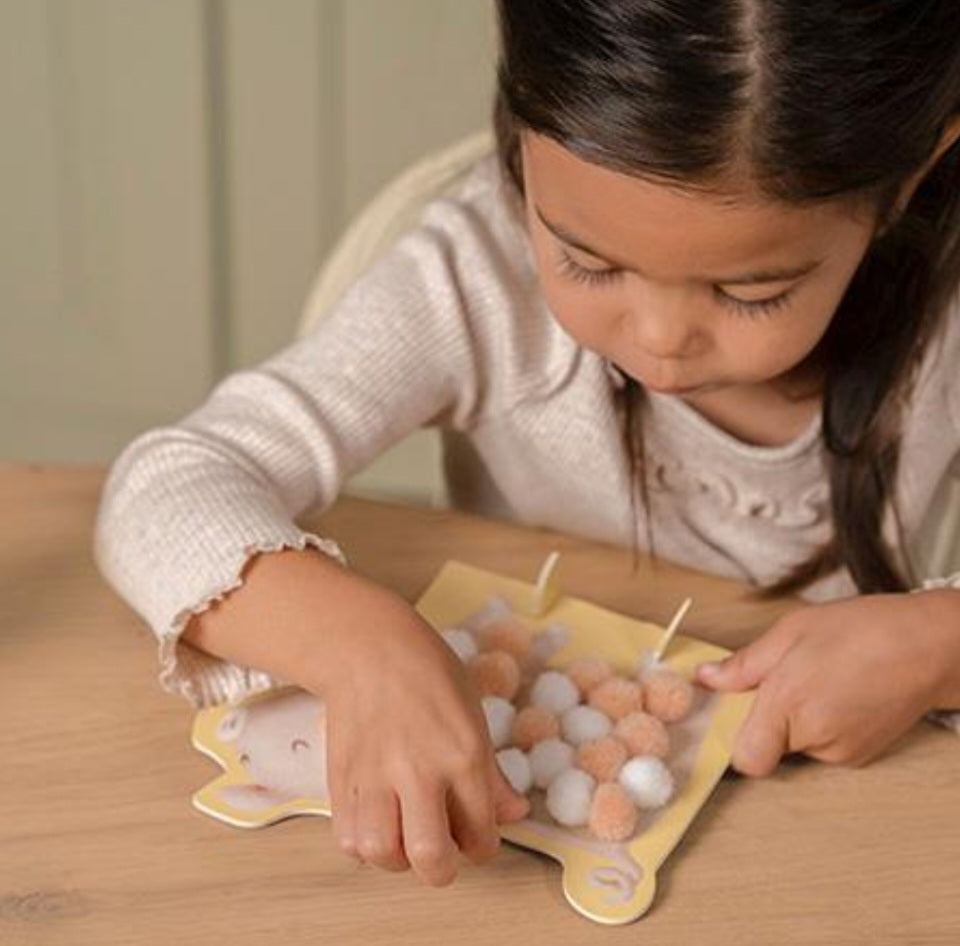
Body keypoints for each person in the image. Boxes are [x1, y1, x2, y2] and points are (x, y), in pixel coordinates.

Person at [95, 0, 960, 888]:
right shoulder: (476, 280)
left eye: (750, 293)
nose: (661, 339)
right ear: (518, 129)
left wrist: (939, 643)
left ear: (908, 177)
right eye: (588, 261)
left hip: (835, 845)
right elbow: (165, 487)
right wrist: (363, 647)